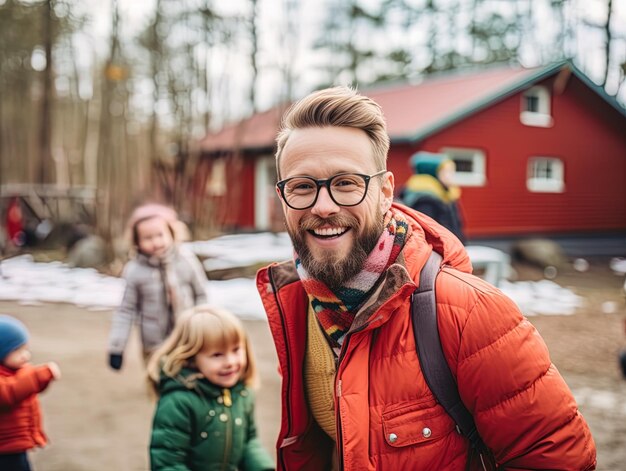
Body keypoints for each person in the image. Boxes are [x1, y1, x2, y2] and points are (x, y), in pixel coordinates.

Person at [256, 86, 596, 470]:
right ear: (283, 197)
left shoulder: (471, 314)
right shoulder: (297, 302)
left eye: (346, 183)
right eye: (302, 186)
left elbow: (559, 460)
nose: (323, 206)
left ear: (385, 192)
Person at [147, 305, 275, 471]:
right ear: (192, 358)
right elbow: (167, 463)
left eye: (236, 350)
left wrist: (263, 468)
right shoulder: (178, 403)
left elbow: (249, 441)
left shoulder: (243, 393)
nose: (230, 362)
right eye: (217, 355)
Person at [107, 203, 208, 371]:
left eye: (160, 235)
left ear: (171, 233)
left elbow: (201, 295)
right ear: (137, 241)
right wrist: (117, 347)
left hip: (188, 340)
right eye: (147, 238)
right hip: (154, 346)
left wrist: (202, 329)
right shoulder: (135, 270)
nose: (156, 242)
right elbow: (126, 310)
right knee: (160, 384)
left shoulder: (186, 260)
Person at [0, 314, 61, 471]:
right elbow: (8, 394)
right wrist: (39, 375)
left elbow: (29, 388)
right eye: (18, 350)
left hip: (16, 444)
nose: (26, 355)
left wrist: (44, 380)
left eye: (25, 349)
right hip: (5, 448)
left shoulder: (16, 371)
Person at [398, 151, 465, 243]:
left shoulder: (446, 195)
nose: (451, 176)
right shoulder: (424, 200)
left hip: (455, 248)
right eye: (447, 172)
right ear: (433, 173)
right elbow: (429, 234)